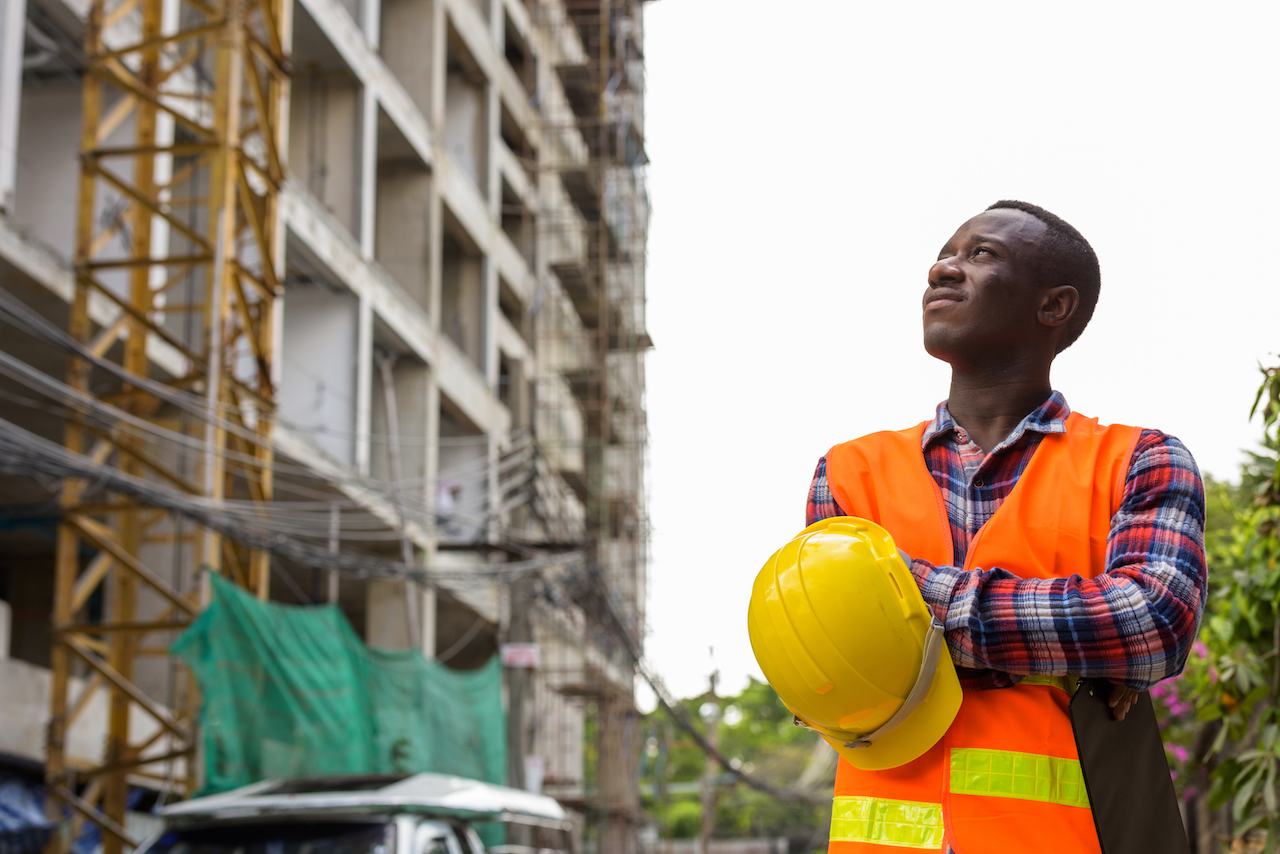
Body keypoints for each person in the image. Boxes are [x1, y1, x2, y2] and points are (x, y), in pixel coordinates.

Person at [805, 200, 1207, 853]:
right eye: (945, 254)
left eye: (980, 254)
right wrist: (1069, 647)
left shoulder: (1143, 459)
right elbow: (827, 663)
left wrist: (902, 600)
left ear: (1054, 306)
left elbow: (1151, 625)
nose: (942, 269)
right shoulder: (849, 470)